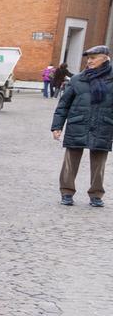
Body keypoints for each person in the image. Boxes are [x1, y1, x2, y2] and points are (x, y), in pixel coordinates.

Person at [52, 44, 113, 207]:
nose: (89, 61)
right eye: (88, 58)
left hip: (103, 125)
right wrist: (57, 126)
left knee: (99, 164)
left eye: (93, 58)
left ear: (105, 59)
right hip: (77, 123)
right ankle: (66, 192)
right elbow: (63, 105)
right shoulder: (77, 79)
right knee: (70, 162)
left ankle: (96, 195)